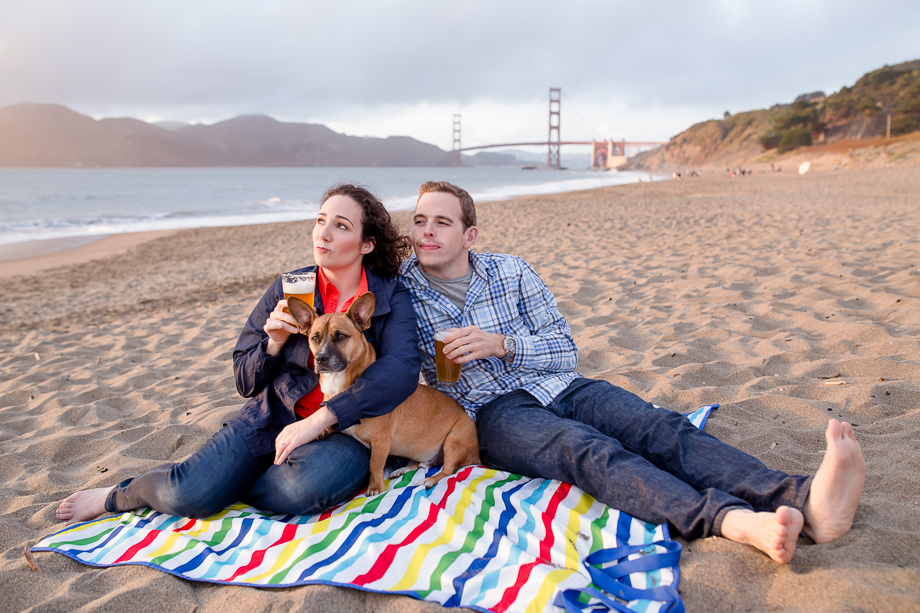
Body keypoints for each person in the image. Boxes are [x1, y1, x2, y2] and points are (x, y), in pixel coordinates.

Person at [398, 180, 866, 564]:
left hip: (558, 384)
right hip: (492, 411)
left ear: (470, 236)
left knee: (656, 426)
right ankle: (733, 520)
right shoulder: (402, 289)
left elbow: (565, 351)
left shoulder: (511, 272)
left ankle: (804, 501)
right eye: (419, 221)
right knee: (585, 449)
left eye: (441, 222)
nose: (426, 233)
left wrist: (502, 344)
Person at [57, 184, 420, 523]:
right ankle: (120, 494)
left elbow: (401, 371)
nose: (323, 234)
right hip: (275, 416)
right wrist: (272, 344)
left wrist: (325, 416)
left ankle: (227, 484)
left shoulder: (388, 297)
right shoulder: (290, 289)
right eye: (320, 221)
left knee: (300, 490)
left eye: (340, 226)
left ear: (366, 244)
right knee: (189, 494)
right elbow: (244, 381)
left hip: (348, 429)